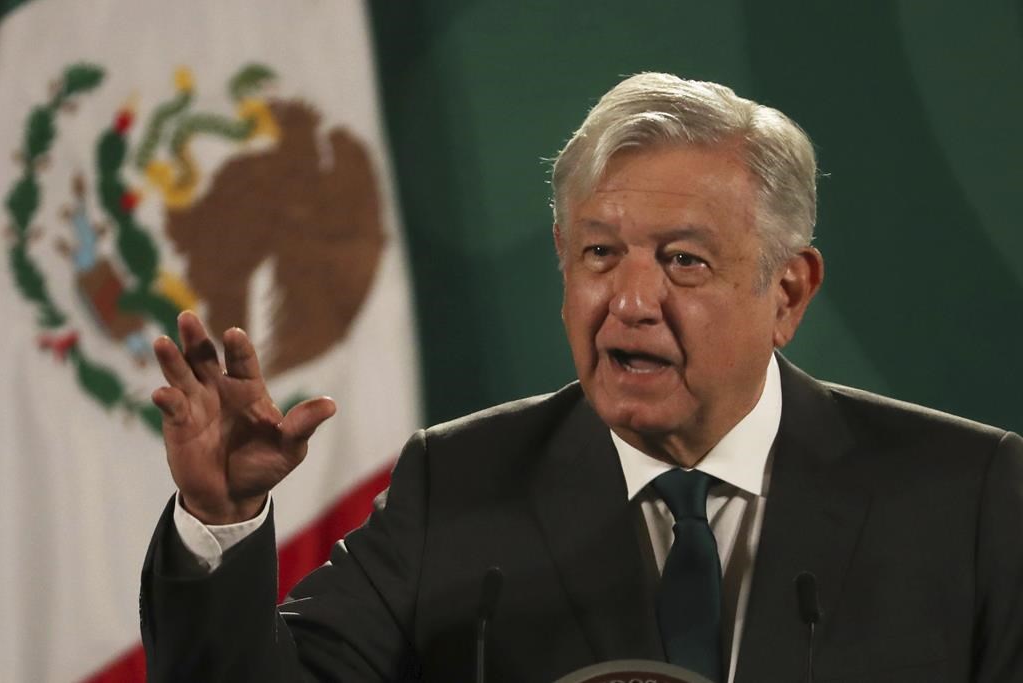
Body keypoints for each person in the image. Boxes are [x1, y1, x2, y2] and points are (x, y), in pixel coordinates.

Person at [140, 73, 1023, 683]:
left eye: (682, 261)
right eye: (600, 253)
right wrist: (219, 521)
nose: (630, 300)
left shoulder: (968, 498)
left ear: (787, 291)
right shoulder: (459, 485)